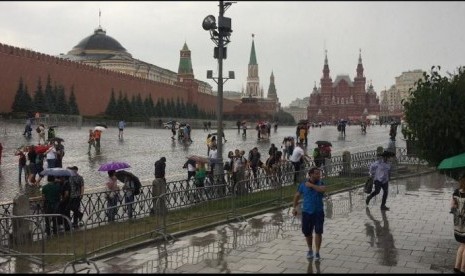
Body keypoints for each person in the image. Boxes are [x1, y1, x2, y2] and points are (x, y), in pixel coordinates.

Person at [292, 167, 326, 261]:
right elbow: (297, 196)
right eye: (316, 174)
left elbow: (322, 190)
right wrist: (294, 208)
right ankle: (310, 249)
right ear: (310, 174)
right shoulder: (303, 185)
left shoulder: (321, 183)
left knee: (318, 232)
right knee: (307, 232)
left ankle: (317, 252)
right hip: (307, 212)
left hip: (318, 212)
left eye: (319, 174)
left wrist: (311, 185)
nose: (319, 175)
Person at [452, 176, 465, 273]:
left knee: (462, 245)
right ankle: (463, 268)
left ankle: (457, 267)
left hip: (458, 225)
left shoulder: (456, 192)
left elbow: (453, 207)